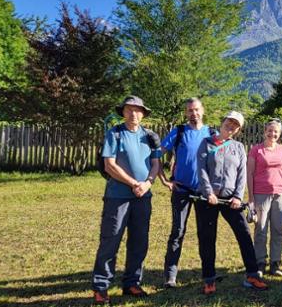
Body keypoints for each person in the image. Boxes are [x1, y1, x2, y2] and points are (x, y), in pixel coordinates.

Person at [92, 96, 162, 304]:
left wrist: (148, 183)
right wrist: (134, 183)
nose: (133, 113)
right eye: (129, 109)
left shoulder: (149, 136)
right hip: (118, 197)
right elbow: (109, 165)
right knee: (110, 240)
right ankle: (101, 286)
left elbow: (156, 163)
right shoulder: (115, 133)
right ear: (123, 112)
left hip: (143, 197)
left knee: (139, 241)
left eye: (137, 110)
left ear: (143, 114)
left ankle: (132, 283)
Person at [196, 111, 268, 294]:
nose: (231, 126)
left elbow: (242, 175)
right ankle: (209, 279)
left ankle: (252, 275)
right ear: (223, 121)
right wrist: (208, 192)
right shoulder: (206, 143)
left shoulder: (238, 148)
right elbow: (201, 170)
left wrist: (237, 196)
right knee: (207, 237)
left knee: (244, 234)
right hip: (208, 199)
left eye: (236, 125)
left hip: (231, 200)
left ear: (239, 129)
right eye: (229, 122)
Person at [158, 97, 216, 288]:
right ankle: (170, 277)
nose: (194, 114)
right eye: (190, 110)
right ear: (186, 113)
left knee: (205, 234)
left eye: (197, 110)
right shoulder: (179, 132)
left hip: (204, 192)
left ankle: (208, 275)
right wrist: (164, 180)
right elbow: (156, 154)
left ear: (203, 110)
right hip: (181, 190)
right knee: (177, 232)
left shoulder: (212, 133)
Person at [247, 118, 282, 277]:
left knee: (278, 229)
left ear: (279, 133)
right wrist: (251, 198)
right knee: (260, 229)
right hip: (260, 193)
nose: (272, 134)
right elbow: (249, 173)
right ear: (264, 132)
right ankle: (260, 262)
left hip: (279, 194)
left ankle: (275, 263)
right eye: (270, 130)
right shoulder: (256, 150)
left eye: (276, 131)